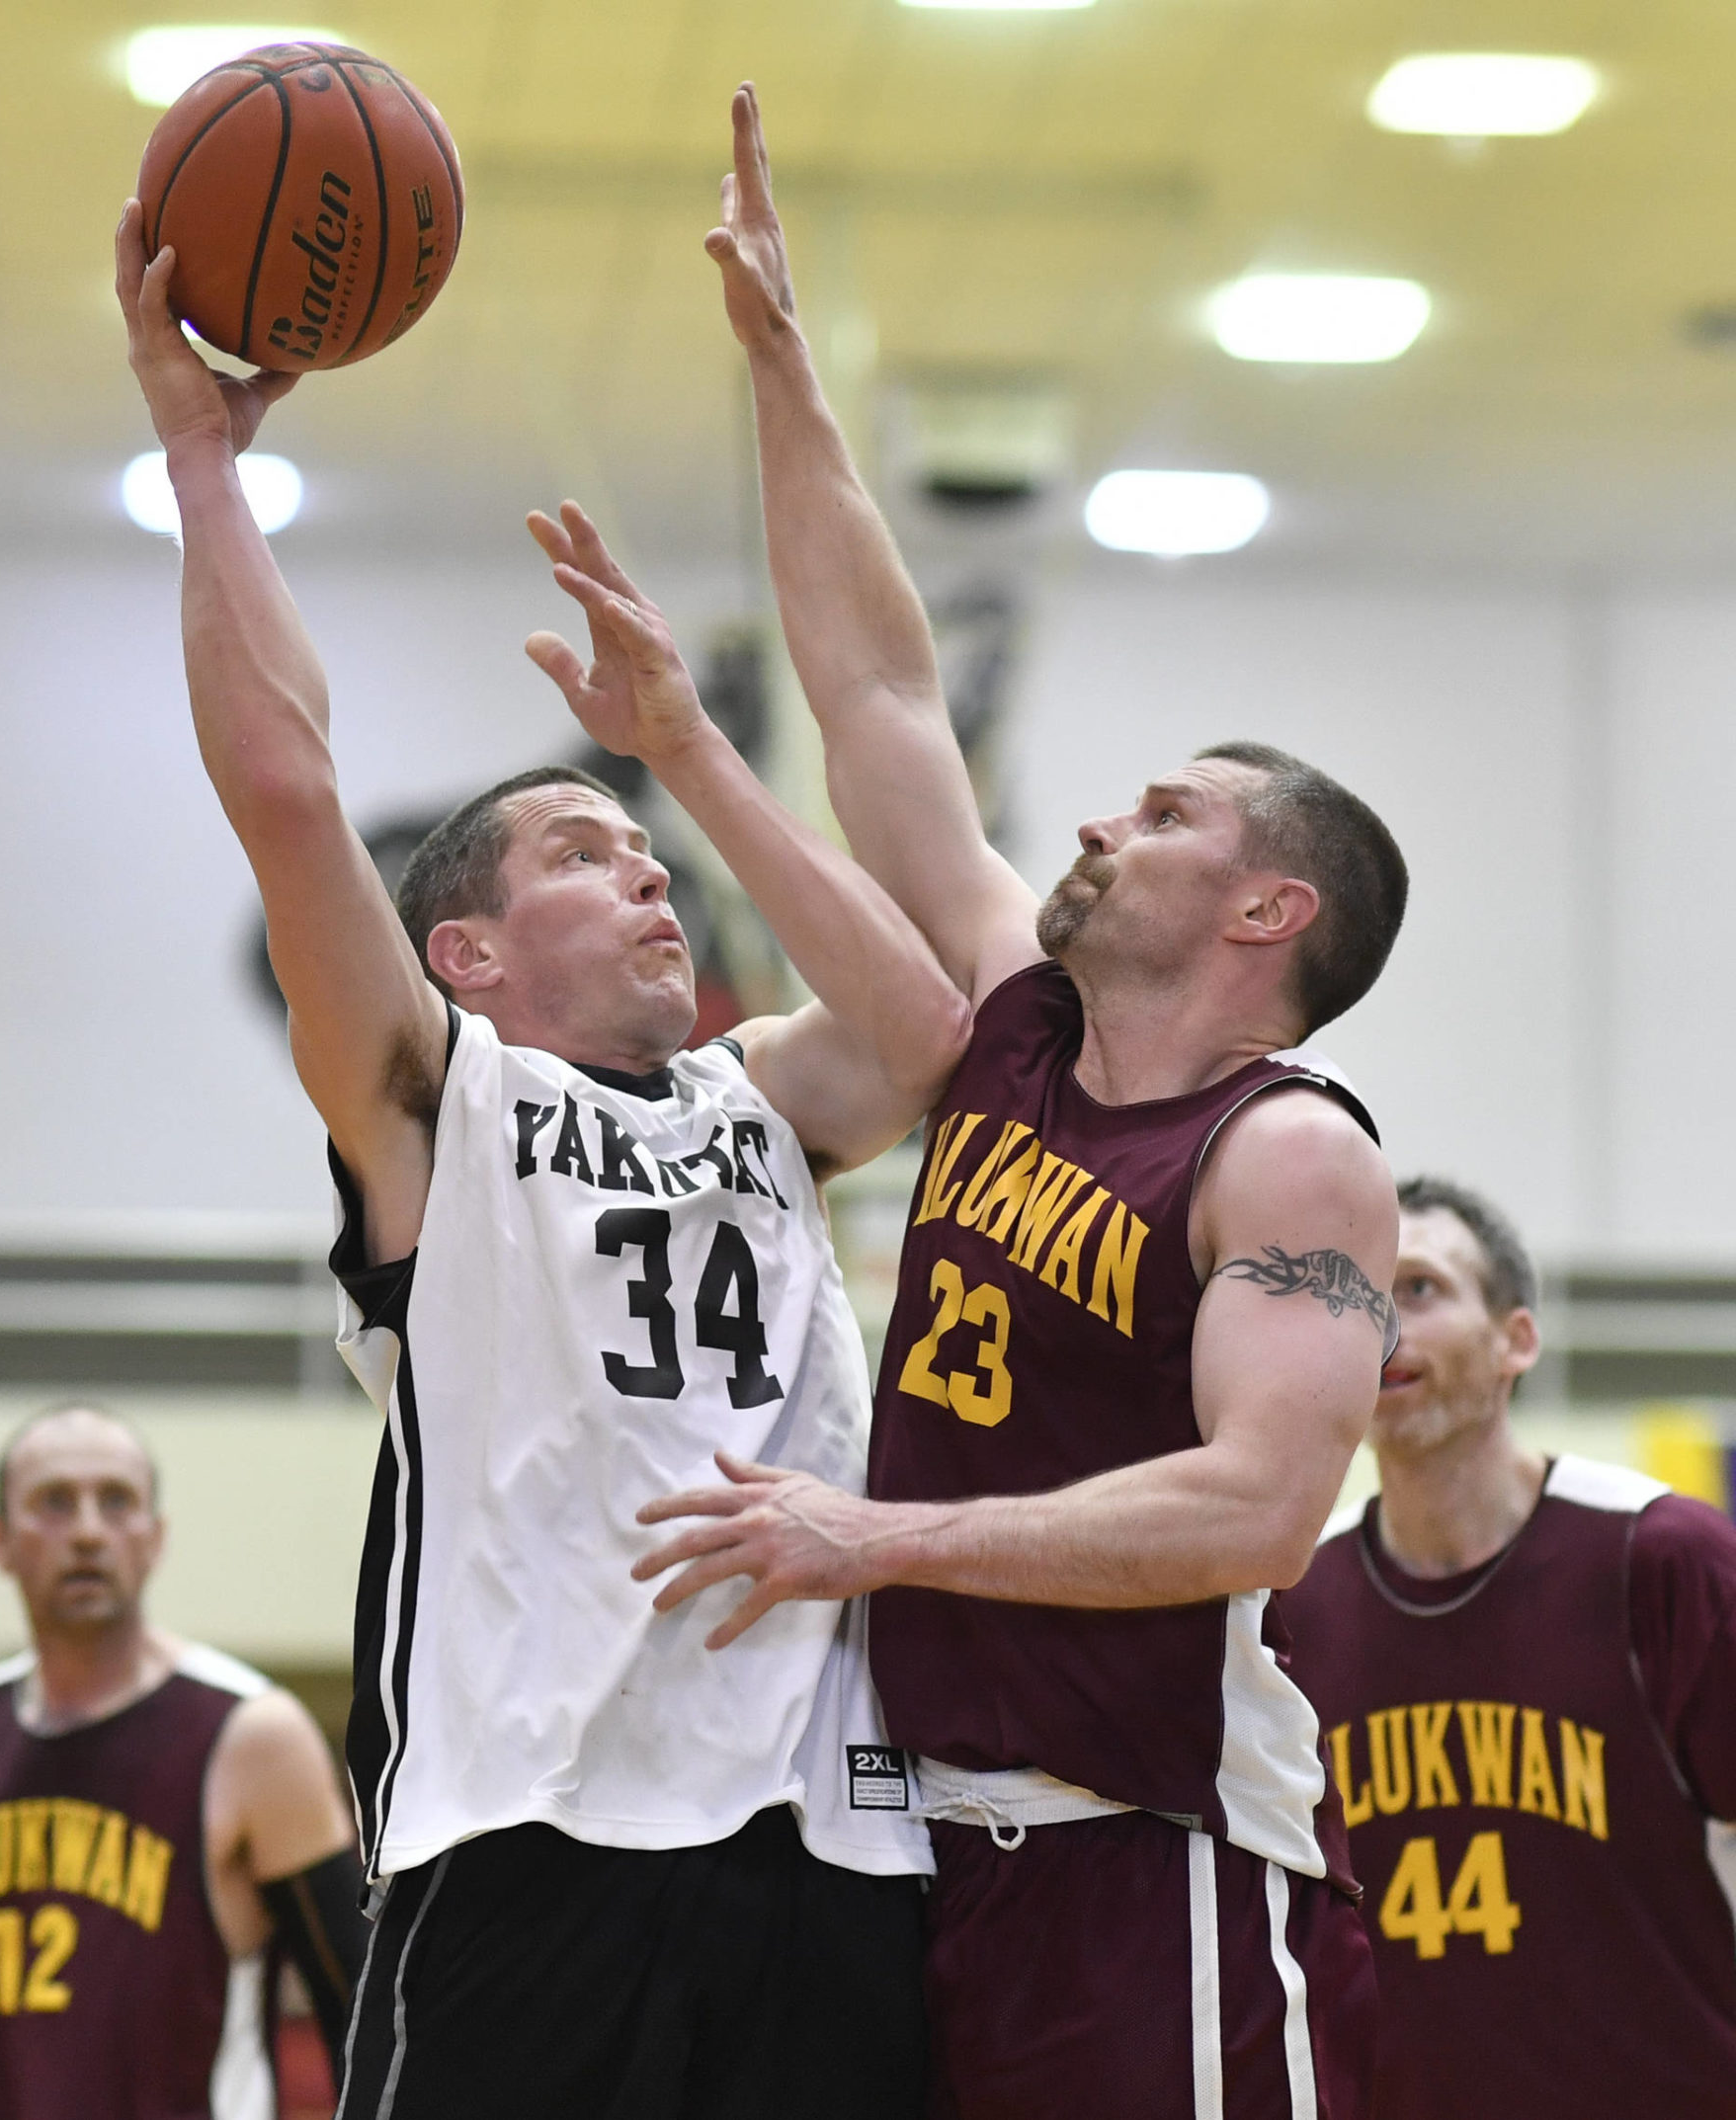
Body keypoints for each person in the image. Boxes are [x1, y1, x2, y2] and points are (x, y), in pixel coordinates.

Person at [115, 186, 968, 2120]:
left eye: (651, 856)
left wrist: (692, 752)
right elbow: (285, 785)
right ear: (467, 953)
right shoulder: (442, 1105)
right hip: (538, 1825)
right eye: (586, 853)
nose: (652, 877)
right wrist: (201, 461)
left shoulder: (764, 1095)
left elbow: (931, 1039)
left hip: (827, 1840)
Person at [631, 86, 1408, 2119]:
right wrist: (785, 373)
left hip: (1145, 1850)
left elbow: (1258, 1505)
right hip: (925, 1848)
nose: (1095, 822)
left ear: (1267, 907)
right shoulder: (1020, 1021)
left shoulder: (1287, 1150)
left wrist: (883, 1537)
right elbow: (883, 699)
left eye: (1164, 814)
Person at [1279, 1179, 1736, 2119]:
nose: (1381, 1325)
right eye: (1354, 1296)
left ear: (1516, 1340)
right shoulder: (1290, 1605)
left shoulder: (1663, 1558)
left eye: (1420, 1288)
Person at [0, 1403, 366, 2120]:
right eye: (55, 1502)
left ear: (154, 1538)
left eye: (116, 1501)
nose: (88, 1531)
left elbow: (357, 2010)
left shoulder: (251, 1735)